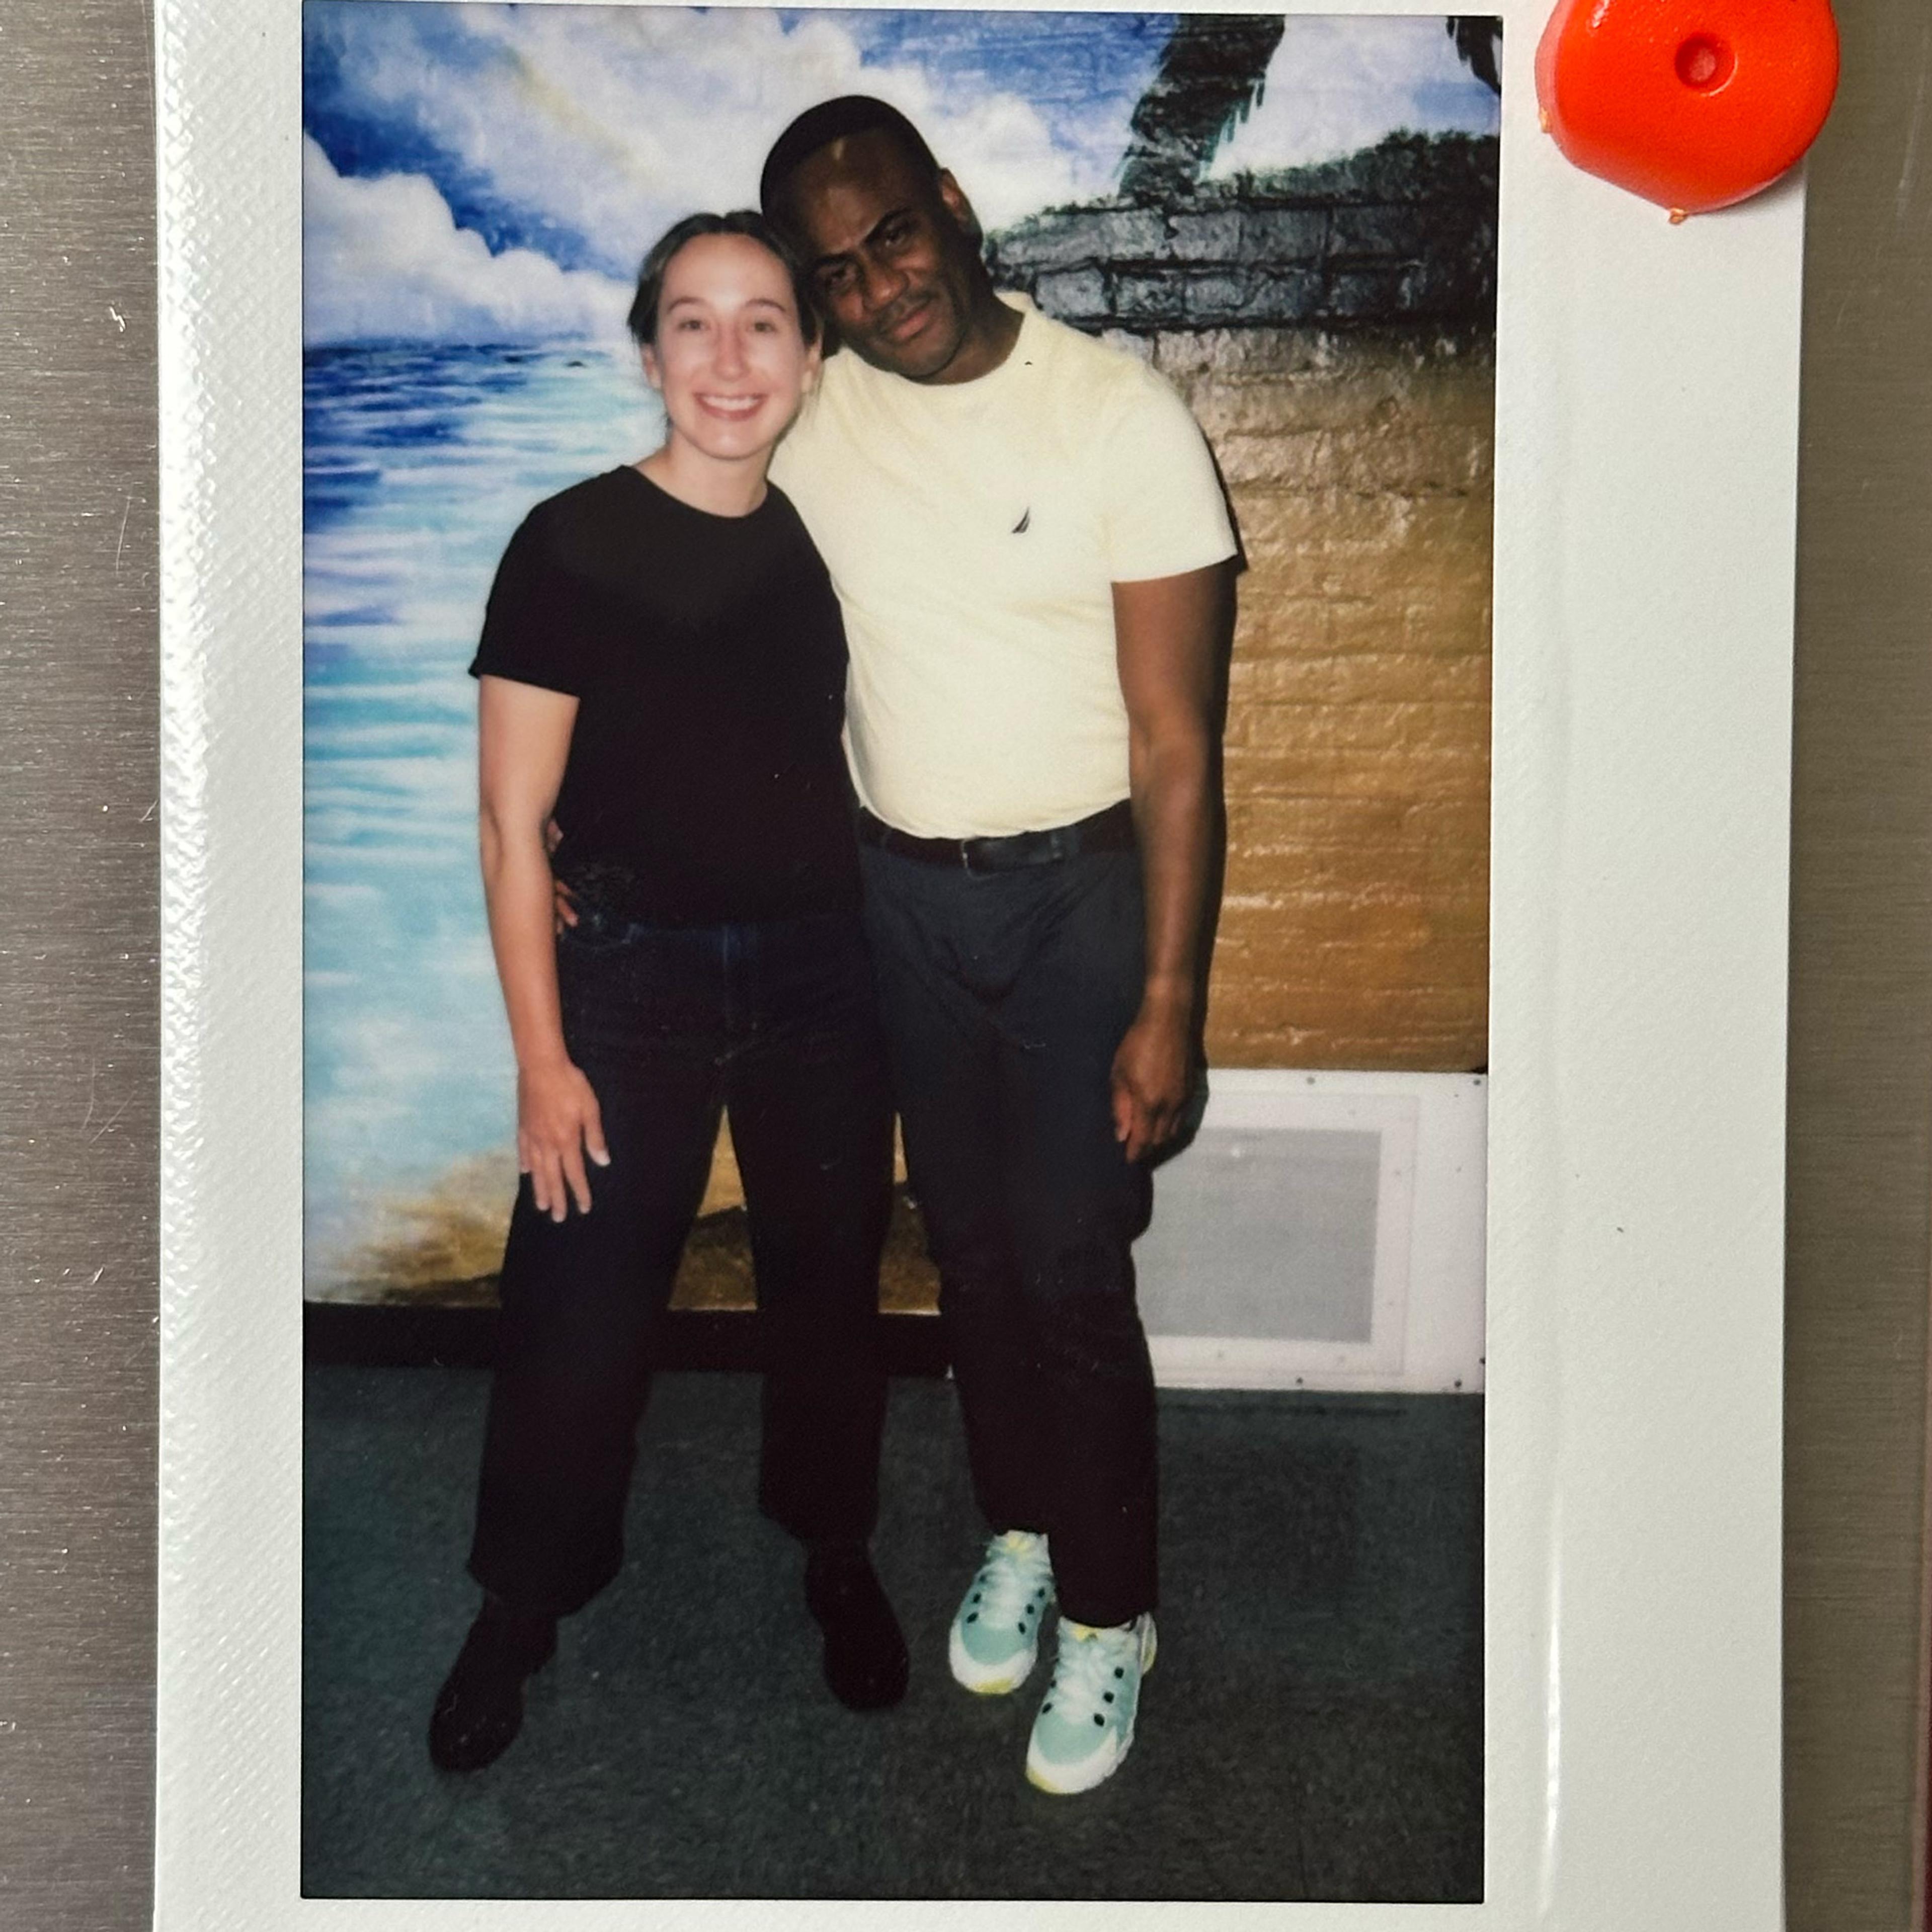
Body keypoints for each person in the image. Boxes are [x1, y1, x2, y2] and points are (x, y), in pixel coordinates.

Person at [759, 98, 1238, 1795]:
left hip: (1076, 903)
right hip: (899, 897)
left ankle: (1113, 1618)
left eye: (893, 235)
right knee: (965, 1259)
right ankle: (1025, 1529)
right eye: (836, 271)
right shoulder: (811, 422)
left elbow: (1180, 743)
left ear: (952, 207)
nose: (879, 288)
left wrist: (1169, 1003)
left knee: (1066, 1271)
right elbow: (680, 548)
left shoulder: (1117, 417)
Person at [427, 210, 908, 1775]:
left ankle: (835, 1552)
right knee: (573, 1315)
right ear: (648, 354)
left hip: (824, 975)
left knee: (829, 1295)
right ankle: (521, 1605)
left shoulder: (841, 529)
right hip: (623, 985)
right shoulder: (566, 541)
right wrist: (541, 1057)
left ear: (812, 355)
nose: (728, 357)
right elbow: (511, 822)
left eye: (763, 321)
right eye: (691, 323)